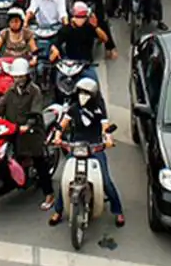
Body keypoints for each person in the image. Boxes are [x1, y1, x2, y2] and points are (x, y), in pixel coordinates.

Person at [48, 77, 123, 228]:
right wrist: (57, 137)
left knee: (106, 182)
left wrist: (108, 138)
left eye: (87, 93)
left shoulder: (98, 109)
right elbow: (63, 124)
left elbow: (105, 126)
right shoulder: (74, 109)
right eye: (81, 92)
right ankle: (58, 210)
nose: (83, 96)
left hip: (95, 147)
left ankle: (118, 210)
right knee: (65, 180)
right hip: (76, 147)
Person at [0, 58, 55, 209]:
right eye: (16, 77)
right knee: (2, 156)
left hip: (32, 133)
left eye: (21, 76)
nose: (18, 80)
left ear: (27, 75)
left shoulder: (35, 91)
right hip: (13, 130)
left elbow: (35, 112)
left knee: (39, 162)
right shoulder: (10, 90)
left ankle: (49, 195)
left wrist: (27, 125)